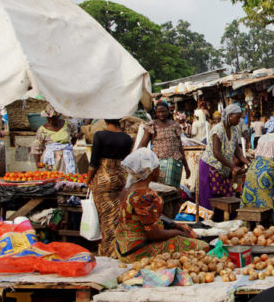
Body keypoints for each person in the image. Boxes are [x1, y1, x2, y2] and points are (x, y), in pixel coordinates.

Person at [115, 149, 208, 263]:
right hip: (139, 252)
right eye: (158, 167)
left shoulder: (128, 190)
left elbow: (148, 218)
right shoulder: (145, 196)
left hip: (124, 247)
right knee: (202, 246)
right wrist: (177, 233)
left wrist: (175, 225)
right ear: (152, 171)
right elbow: (154, 235)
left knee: (184, 228)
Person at [87, 119, 133, 257]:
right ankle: (118, 250)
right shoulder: (127, 138)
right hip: (120, 178)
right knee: (117, 217)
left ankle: (107, 252)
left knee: (105, 219)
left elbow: (93, 163)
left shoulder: (99, 135)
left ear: (106, 120)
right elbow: (126, 160)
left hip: (103, 178)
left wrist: (88, 179)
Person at [241, 115, 274, 222]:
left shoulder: (262, 138)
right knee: (273, 199)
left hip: (253, 170)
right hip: (268, 171)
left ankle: (250, 224)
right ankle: (273, 224)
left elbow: (257, 156)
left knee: (254, 200)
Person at [198, 105, 251, 208]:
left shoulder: (234, 130)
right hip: (210, 166)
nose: (239, 120)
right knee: (211, 197)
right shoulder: (218, 129)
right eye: (237, 117)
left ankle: (221, 219)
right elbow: (216, 152)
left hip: (223, 167)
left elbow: (237, 151)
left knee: (225, 196)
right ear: (230, 116)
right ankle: (210, 220)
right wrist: (232, 167)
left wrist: (248, 163)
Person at [137, 101, 191, 183]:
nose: (161, 114)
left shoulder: (175, 125)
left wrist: (186, 166)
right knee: (159, 190)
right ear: (156, 112)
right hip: (158, 165)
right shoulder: (152, 125)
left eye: (163, 111)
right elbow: (142, 145)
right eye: (159, 112)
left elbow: (180, 146)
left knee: (173, 191)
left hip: (174, 164)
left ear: (168, 111)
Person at [30, 105, 77, 173]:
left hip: (67, 157)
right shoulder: (42, 130)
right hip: (51, 159)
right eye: (49, 118)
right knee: (52, 179)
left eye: (53, 118)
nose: (50, 120)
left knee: (69, 178)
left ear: (58, 116)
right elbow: (36, 146)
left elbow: (74, 137)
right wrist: (37, 162)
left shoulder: (69, 125)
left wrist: (66, 148)